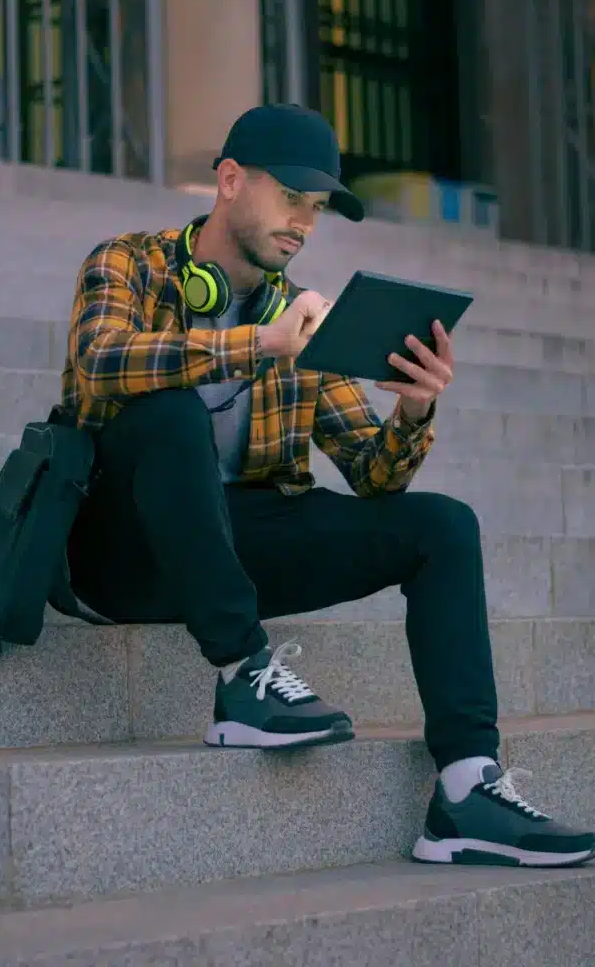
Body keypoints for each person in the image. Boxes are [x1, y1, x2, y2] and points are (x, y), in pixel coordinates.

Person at [62, 103, 594, 868]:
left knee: (440, 526)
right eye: (291, 199)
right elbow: (99, 361)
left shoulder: (302, 318)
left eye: (316, 209)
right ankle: (244, 674)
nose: (303, 223)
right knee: (169, 414)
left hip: (232, 541)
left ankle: (468, 792)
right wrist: (254, 345)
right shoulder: (127, 263)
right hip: (116, 549)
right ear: (231, 180)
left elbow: (376, 476)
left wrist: (415, 407)